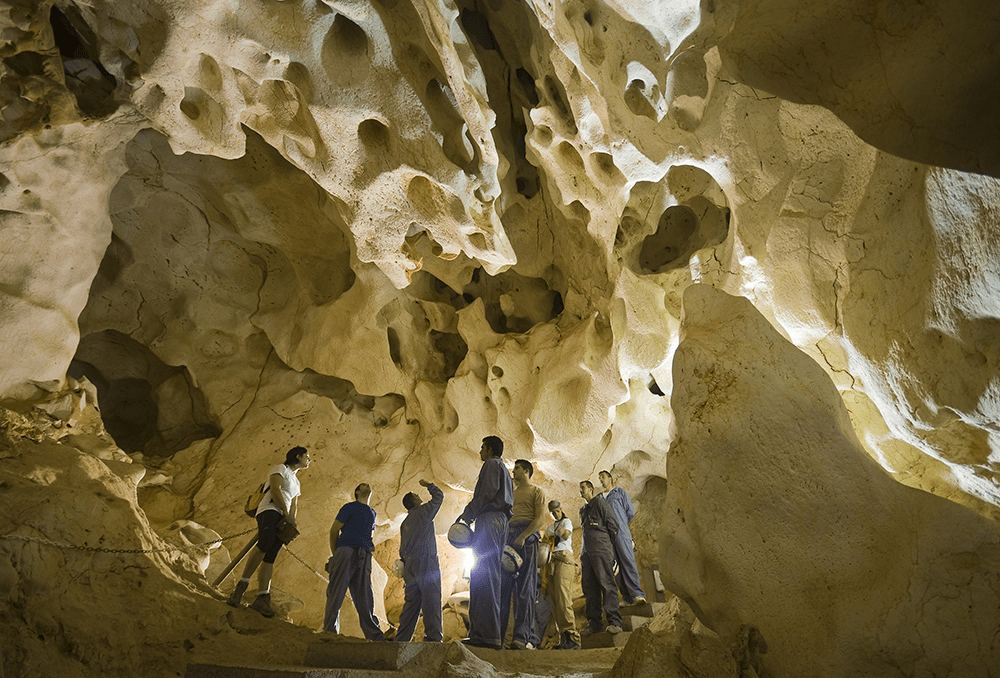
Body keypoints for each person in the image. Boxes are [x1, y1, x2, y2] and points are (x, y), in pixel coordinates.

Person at [228, 446, 310, 617]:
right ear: (298, 456)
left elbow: (295, 504)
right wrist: (286, 515)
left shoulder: (297, 482)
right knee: (264, 545)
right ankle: (240, 588)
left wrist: (292, 522)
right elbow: (275, 489)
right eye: (306, 456)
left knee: (271, 555)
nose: (309, 459)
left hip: (283, 517)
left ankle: (262, 597)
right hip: (270, 510)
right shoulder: (280, 468)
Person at [458, 435, 513, 649]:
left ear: (490, 449)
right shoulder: (505, 469)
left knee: (485, 574)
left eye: (482, 447)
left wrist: (467, 515)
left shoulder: (491, 464)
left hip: (489, 519)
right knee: (487, 574)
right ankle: (483, 633)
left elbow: (487, 493)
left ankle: (487, 636)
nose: (480, 451)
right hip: (499, 521)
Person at [323, 483, 385, 640]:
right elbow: (334, 530)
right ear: (357, 492)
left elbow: (370, 535)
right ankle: (329, 632)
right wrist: (336, 554)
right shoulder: (349, 507)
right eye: (362, 485)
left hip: (364, 555)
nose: (366, 484)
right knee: (336, 592)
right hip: (346, 550)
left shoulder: (372, 512)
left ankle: (374, 636)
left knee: (365, 596)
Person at [499, 459, 547, 649]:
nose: (513, 471)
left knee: (525, 589)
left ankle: (521, 637)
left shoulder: (537, 492)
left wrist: (524, 536)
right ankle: (499, 638)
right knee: (504, 588)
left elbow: (540, 519)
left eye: (517, 468)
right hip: (509, 537)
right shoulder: (510, 493)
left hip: (527, 539)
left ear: (526, 471)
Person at [395, 479, 445, 642]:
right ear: (414, 501)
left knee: (411, 604)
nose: (419, 496)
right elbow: (439, 497)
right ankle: (434, 638)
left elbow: (402, 547)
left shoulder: (405, 523)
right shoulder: (424, 512)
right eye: (417, 495)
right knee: (431, 599)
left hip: (410, 565)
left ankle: (402, 639)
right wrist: (429, 485)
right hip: (426, 562)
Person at [578, 480, 622, 636]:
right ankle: (594, 624)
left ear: (590, 489)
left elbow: (613, 526)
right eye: (580, 489)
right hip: (587, 553)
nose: (580, 491)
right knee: (589, 588)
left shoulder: (600, 503)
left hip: (601, 549)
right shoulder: (583, 511)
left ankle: (615, 622)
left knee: (606, 583)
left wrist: (606, 547)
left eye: (583, 488)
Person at [598, 470, 647, 605]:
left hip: (621, 533)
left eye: (602, 477)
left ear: (610, 478)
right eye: (599, 478)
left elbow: (629, 512)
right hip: (607, 537)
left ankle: (637, 594)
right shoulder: (599, 498)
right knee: (616, 567)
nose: (601, 480)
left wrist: (620, 525)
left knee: (628, 561)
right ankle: (627, 598)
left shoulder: (619, 493)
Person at [544, 500, 581, 650]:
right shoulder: (549, 527)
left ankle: (573, 638)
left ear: (561, 509)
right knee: (555, 602)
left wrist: (553, 536)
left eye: (557, 511)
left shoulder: (567, 521)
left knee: (564, 599)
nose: (555, 514)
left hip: (564, 560)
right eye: (552, 512)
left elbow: (565, 535)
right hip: (551, 562)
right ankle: (563, 638)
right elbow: (545, 546)